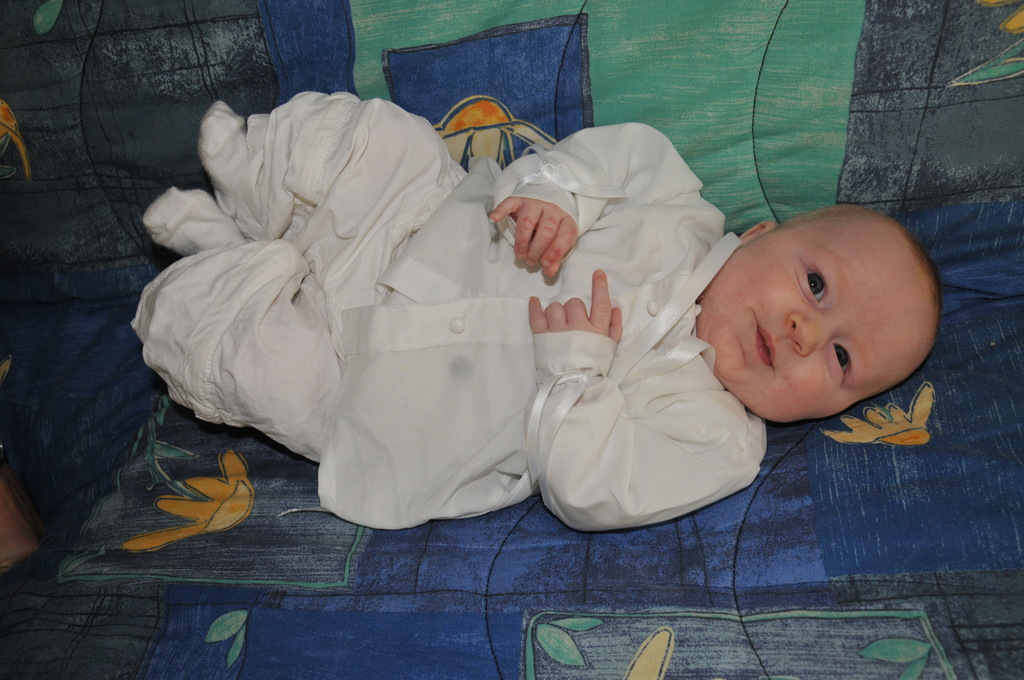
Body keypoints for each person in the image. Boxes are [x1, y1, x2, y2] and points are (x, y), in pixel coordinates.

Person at [133, 92, 940, 531]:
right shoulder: (668, 191)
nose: (805, 333)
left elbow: (592, 491)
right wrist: (555, 198)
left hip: (374, 403)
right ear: (762, 232)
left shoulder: (717, 439)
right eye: (816, 285)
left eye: (841, 359)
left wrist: (578, 375)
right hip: (412, 225)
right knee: (385, 142)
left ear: (838, 407)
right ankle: (253, 192)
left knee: (266, 366)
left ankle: (221, 260)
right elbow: (589, 161)